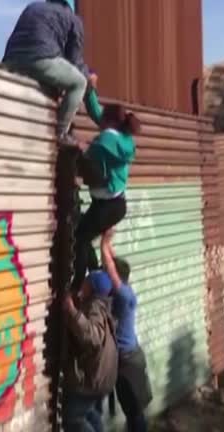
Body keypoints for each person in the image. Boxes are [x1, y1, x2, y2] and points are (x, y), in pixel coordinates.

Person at [3, 0, 99, 146]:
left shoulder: (32, 7)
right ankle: (61, 133)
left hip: (11, 59)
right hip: (40, 60)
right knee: (79, 83)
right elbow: (75, 60)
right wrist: (89, 76)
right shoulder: (73, 19)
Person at [71, 104, 140, 293]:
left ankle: (78, 285)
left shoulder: (106, 140)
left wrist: (79, 147)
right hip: (111, 204)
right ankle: (93, 276)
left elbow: (90, 152)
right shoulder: (121, 136)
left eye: (102, 119)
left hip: (108, 206)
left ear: (108, 121)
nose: (98, 121)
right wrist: (90, 90)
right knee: (85, 236)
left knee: (80, 238)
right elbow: (98, 113)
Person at [62, 271, 119, 432]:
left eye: (86, 281)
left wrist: (72, 311)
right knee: (89, 412)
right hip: (104, 376)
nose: (83, 283)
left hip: (94, 378)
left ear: (91, 287)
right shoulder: (102, 304)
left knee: (72, 418)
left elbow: (93, 337)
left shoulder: (94, 306)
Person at [102, 254, 152, 432]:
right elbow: (111, 266)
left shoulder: (123, 295)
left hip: (127, 362)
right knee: (134, 411)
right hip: (130, 358)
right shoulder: (125, 291)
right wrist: (106, 243)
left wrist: (105, 242)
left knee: (134, 412)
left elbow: (110, 269)